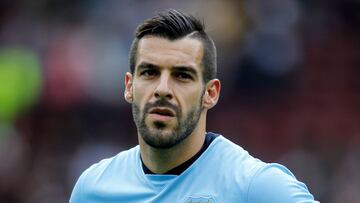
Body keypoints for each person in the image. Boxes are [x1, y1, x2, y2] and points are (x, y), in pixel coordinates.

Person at [70, 9, 317, 203]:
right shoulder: (93, 188)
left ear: (210, 93)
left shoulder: (254, 186)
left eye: (182, 75)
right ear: (129, 86)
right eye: (149, 72)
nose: (163, 88)